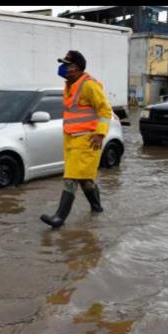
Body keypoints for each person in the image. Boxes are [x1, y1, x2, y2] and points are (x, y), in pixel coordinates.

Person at [40, 51, 112, 229]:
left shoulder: (89, 86)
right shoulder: (70, 86)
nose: (63, 68)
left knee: (71, 178)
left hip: (88, 140)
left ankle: (59, 218)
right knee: (85, 179)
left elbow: (105, 111)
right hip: (72, 140)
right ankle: (97, 208)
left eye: (67, 65)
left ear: (77, 68)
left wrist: (100, 134)